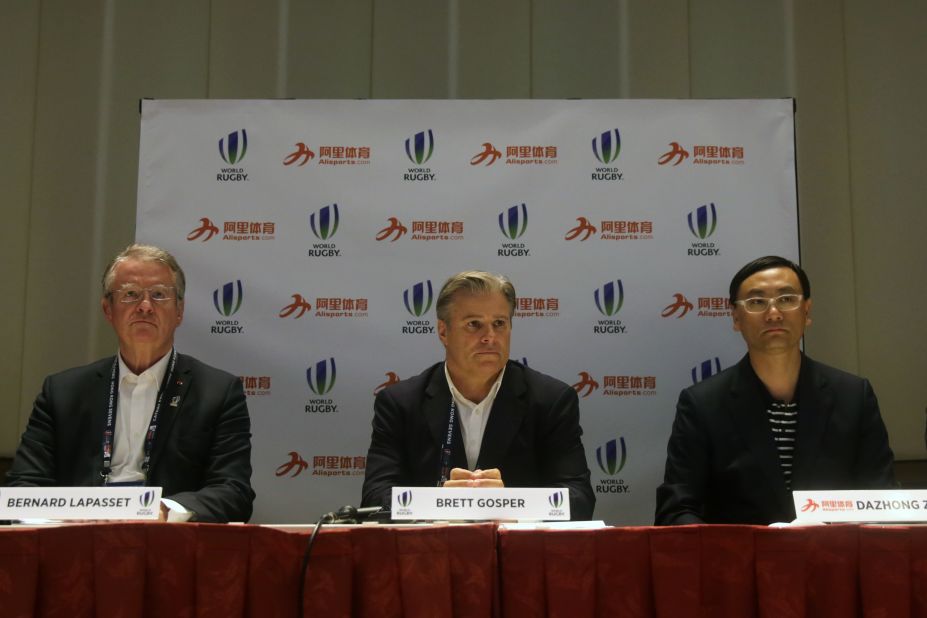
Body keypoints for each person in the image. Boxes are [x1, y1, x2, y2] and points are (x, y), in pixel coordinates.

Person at [7, 244, 254, 523]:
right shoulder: (63, 392)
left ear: (179, 311)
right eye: (130, 295)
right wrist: (68, 516)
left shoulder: (217, 392)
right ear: (107, 310)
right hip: (75, 543)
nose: (145, 306)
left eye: (159, 295)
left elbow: (234, 492)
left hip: (167, 544)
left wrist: (165, 510)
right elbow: (23, 487)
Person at [655, 256, 895, 525]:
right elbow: (676, 510)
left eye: (787, 299)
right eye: (757, 302)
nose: (774, 314)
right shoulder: (702, 404)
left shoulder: (853, 397)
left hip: (834, 561)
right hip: (738, 563)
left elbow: (882, 500)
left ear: (807, 311)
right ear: (735, 317)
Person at [361, 271, 596, 520]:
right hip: (432, 552)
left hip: (518, 552)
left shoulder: (551, 400)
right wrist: (441, 503)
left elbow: (578, 499)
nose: (489, 337)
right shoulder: (400, 403)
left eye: (499, 324)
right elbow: (375, 499)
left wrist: (506, 503)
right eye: (474, 324)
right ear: (443, 332)